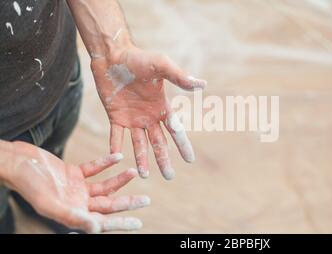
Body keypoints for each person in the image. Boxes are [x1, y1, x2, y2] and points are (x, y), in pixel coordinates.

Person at [0, 0, 207, 234]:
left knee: (51, 173)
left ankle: (38, 208)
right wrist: (9, 162)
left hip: (60, 80)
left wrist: (112, 47)